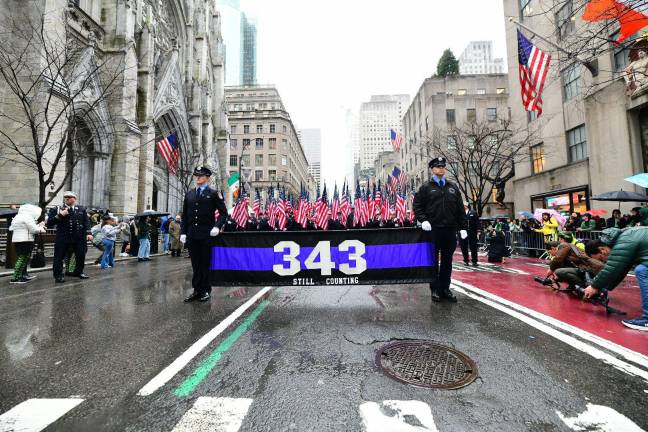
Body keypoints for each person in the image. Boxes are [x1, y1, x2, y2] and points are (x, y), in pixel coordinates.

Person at [413, 157, 467, 303]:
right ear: (432, 169)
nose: (441, 168)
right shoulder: (426, 187)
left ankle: (445, 288)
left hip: (449, 229)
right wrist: (423, 220)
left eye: (443, 166)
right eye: (438, 166)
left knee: (447, 261)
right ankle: (435, 289)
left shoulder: (453, 187)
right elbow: (417, 206)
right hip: (433, 229)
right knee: (433, 261)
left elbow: (460, 209)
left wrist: (463, 227)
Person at [584, 227, 648, 331]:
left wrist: (594, 286)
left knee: (642, 271)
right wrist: (604, 287)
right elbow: (622, 269)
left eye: (601, 258)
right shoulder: (626, 236)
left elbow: (612, 268)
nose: (603, 261)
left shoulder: (623, 242)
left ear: (602, 249)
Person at [181, 166, 228, 303]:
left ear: (207, 178)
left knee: (205, 264)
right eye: (196, 175)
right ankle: (196, 290)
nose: (198, 178)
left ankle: (206, 290)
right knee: (195, 264)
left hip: (206, 235)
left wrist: (217, 227)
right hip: (192, 235)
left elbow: (224, 213)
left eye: (200, 176)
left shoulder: (213, 193)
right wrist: (183, 232)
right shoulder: (189, 194)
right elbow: (185, 216)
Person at [46, 191, 92, 283]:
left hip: (78, 237)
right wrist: (60, 215)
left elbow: (86, 222)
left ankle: (79, 272)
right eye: (66, 197)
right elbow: (49, 223)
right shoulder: (57, 209)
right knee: (59, 257)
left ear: (74, 199)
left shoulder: (81, 209)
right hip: (63, 237)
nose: (67, 198)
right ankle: (58, 275)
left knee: (80, 255)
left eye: (70, 197)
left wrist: (89, 233)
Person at [8, 204, 46, 284]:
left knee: (21, 258)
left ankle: (20, 276)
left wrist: (38, 226)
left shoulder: (18, 216)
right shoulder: (27, 217)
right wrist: (41, 228)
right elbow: (34, 230)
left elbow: (24, 227)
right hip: (26, 240)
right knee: (22, 259)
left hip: (18, 240)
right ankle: (15, 278)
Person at [459, 202, 480, 266]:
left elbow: (477, 222)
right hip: (463, 232)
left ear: (467, 206)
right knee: (463, 246)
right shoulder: (459, 213)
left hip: (472, 232)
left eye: (464, 205)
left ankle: (474, 261)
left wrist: (478, 231)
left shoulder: (473, 212)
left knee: (473, 246)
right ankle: (466, 260)